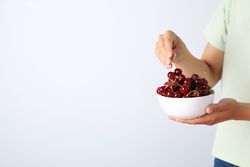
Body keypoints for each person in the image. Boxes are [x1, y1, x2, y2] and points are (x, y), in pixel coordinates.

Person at [155, 0, 250, 166]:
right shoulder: (235, 3)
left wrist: (238, 111)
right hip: (229, 154)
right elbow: (209, 73)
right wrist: (181, 55)